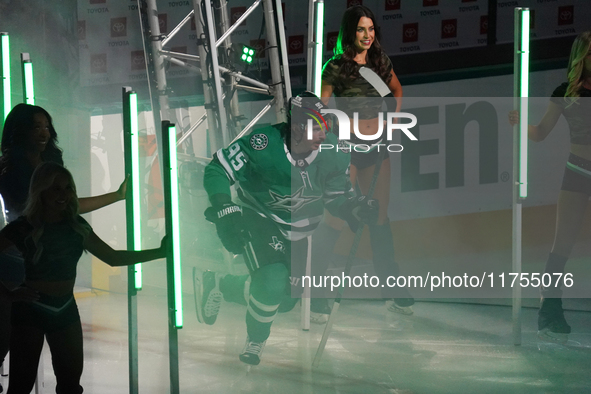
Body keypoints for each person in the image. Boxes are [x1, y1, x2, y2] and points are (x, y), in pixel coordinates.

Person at [196, 92, 377, 365]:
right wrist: (223, 207)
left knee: (286, 300)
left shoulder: (333, 153)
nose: (323, 132)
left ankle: (219, 282)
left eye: (324, 125)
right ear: (296, 127)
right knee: (271, 281)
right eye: (315, 126)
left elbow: (336, 196)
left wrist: (355, 207)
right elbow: (217, 170)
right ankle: (256, 340)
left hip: (300, 230)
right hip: (260, 216)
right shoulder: (262, 143)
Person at [0, 162, 167, 394]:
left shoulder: (76, 226)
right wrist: (7, 293)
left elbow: (113, 257)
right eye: (56, 188)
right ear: (41, 191)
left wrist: (158, 253)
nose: (64, 195)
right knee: (20, 388)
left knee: (70, 386)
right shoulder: (24, 227)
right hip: (30, 309)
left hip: (65, 308)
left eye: (68, 188)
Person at [0, 103, 129, 383]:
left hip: (47, 276)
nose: (44, 132)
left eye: (46, 126)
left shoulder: (50, 164)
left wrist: (116, 197)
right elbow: (58, 209)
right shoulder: (10, 170)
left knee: (65, 377)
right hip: (17, 262)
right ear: (20, 131)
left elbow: (68, 208)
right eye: (36, 127)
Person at [318, 5, 413, 314]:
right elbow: (320, 108)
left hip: (376, 147)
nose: (367, 35)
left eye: (371, 29)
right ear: (350, 32)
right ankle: (316, 293)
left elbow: (396, 91)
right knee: (335, 218)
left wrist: (393, 122)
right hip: (345, 150)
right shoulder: (334, 67)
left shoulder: (380, 62)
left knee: (380, 219)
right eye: (361, 29)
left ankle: (393, 289)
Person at [508, 31, 591, 344]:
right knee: (562, 245)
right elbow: (541, 132)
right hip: (577, 170)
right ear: (581, 57)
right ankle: (549, 311)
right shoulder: (564, 92)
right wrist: (519, 125)